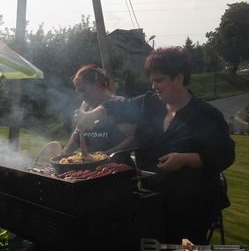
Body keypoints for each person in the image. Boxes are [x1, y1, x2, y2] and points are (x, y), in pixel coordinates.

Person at [76, 47, 235, 244]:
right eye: (152, 80)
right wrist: (92, 115)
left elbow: (225, 154)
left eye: (159, 80)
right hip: (152, 199)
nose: (154, 86)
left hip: (191, 204)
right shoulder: (150, 104)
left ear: (179, 78)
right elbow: (119, 105)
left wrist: (185, 159)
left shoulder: (206, 115)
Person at [62, 64, 136, 165]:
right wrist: (64, 154)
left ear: (96, 85)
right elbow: (77, 133)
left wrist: (105, 155)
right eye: (77, 91)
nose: (80, 96)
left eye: (82, 90)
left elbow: (132, 139)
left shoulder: (120, 103)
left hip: (115, 170)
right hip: (88, 169)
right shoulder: (86, 106)